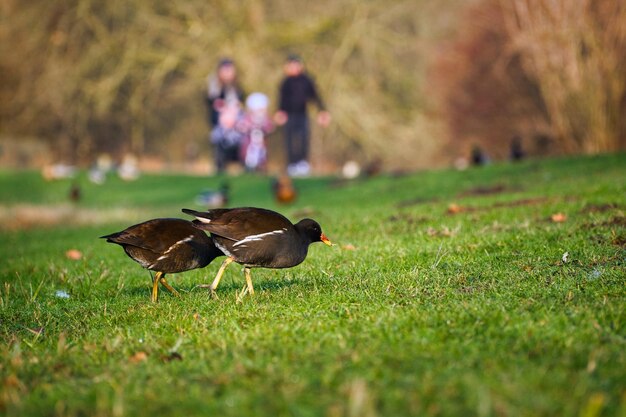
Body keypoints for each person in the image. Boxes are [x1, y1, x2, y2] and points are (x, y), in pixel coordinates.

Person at [274, 54, 331, 177]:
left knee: (304, 139)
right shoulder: (285, 82)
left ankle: (302, 163)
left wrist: (322, 111)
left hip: (302, 115)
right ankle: (292, 164)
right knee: (289, 140)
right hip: (289, 116)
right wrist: (279, 112)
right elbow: (281, 100)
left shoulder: (307, 80)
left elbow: (315, 97)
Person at [239, 93, 274, 172]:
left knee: (262, 154)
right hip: (249, 143)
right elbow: (242, 126)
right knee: (249, 154)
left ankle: (261, 166)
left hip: (261, 144)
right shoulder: (247, 118)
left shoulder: (265, 119)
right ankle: (249, 167)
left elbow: (270, 127)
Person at [206, 58, 245, 128]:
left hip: (236, 122)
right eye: (225, 70)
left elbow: (240, 102)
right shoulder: (215, 85)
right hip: (219, 124)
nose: (227, 72)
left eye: (229, 70)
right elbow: (212, 99)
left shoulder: (236, 86)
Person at [210, 101, 245, 174]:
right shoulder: (219, 130)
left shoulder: (239, 129)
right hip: (223, 143)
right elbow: (213, 138)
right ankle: (220, 167)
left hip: (236, 143)